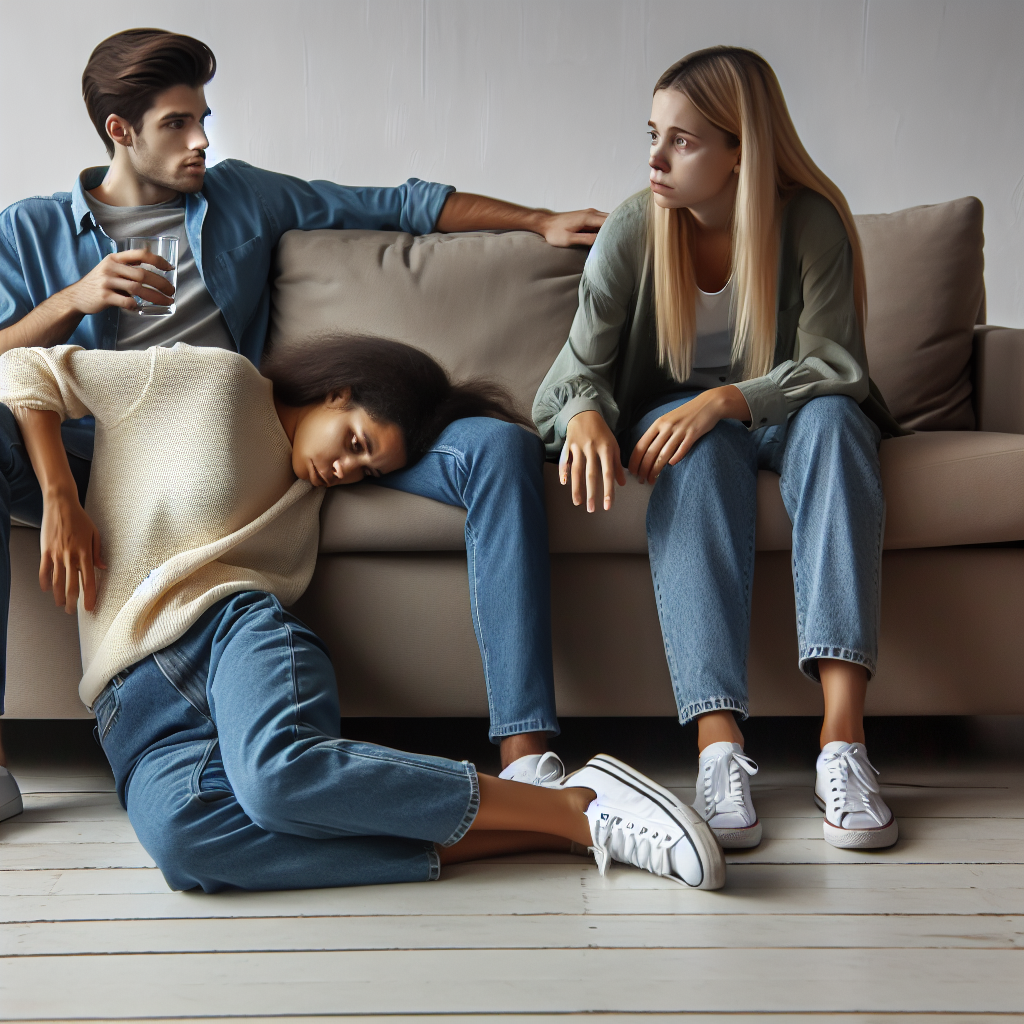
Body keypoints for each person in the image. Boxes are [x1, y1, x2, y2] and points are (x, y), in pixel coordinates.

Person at [0, 28, 605, 817]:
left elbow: (398, 205)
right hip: (90, 452)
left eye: (203, 119)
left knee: (496, 443)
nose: (201, 141)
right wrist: (70, 303)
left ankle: (525, 754)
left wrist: (537, 221)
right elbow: (12, 362)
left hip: (254, 444)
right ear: (120, 130)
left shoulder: (241, 197)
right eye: (177, 124)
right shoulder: (29, 231)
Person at [0, 335, 725, 892]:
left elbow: (487, 454)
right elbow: (26, 368)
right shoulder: (211, 378)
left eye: (367, 470)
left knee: (278, 779)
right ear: (335, 392)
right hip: (133, 701)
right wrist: (61, 496)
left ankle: (563, 804)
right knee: (188, 849)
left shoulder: (310, 489)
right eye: (353, 443)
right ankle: (563, 823)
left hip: (234, 631)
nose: (348, 470)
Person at [534, 46, 906, 851]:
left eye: (684, 141)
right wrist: (588, 415)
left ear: (743, 151)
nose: (655, 158)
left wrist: (726, 399)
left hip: (794, 410)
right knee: (691, 453)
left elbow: (836, 365)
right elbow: (572, 375)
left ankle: (843, 745)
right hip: (686, 425)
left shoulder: (809, 220)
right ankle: (718, 749)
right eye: (653, 134)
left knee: (841, 425)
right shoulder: (637, 227)